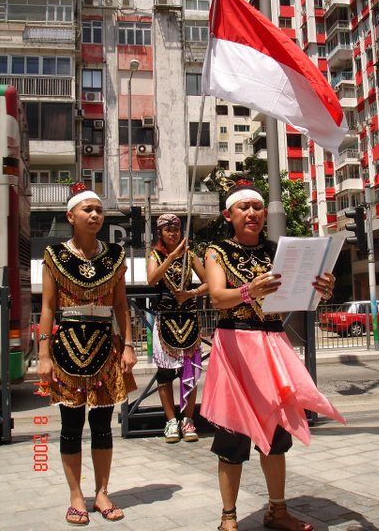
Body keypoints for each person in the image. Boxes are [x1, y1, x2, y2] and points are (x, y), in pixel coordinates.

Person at [201, 179, 345, 531]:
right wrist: (249, 290)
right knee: (233, 435)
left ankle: (277, 512)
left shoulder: (278, 251)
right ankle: (228, 518)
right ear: (228, 215)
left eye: (257, 207)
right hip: (235, 345)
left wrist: (321, 290)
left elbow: (297, 297)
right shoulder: (216, 252)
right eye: (243, 207)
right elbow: (218, 298)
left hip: (272, 343)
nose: (252, 213)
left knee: (277, 433)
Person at [37, 182, 137, 525]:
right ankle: (76, 495)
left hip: (104, 347)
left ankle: (103, 491)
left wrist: (128, 345)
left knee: (103, 425)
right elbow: (48, 308)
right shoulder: (55, 256)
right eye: (87, 210)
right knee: (70, 425)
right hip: (66, 346)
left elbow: (121, 305)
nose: (95, 215)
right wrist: (44, 355)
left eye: (99, 210)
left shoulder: (115, 256)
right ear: (71, 216)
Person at [147, 213, 208, 443]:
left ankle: (188, 419)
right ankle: (171, 420)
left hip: (189, 318)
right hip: (166, 319)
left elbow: (209, 283)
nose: (173, 233)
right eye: (168, 229)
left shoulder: (191, 256)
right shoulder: (154, 255)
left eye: (176, 229)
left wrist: (190, 293)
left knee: (188, 370)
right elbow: (152, 279)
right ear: (160, 233)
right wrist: (171, 257)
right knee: (165, 372)